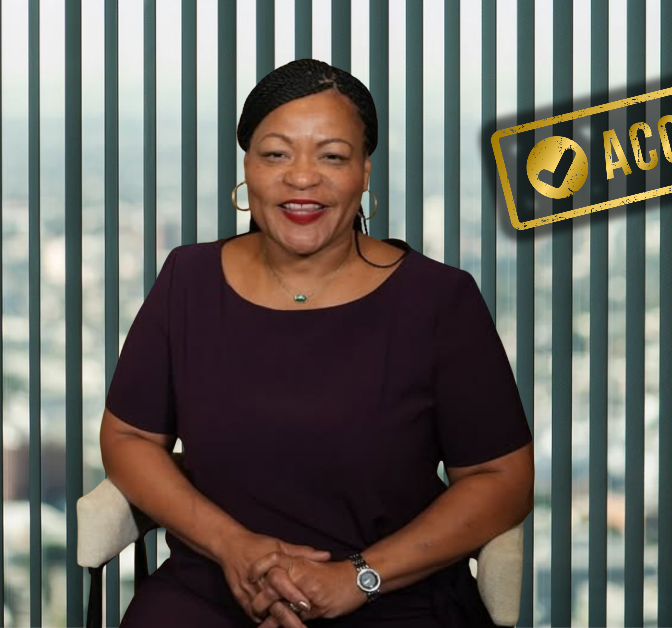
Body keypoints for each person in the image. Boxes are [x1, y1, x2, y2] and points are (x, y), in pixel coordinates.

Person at [99, 58, 533, 628]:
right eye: (276, 153)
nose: (302, 177)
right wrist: (235, 548)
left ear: (365, 172)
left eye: (332, 155)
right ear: (247, 168)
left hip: (391, 596)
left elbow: (501, 478)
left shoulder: (439, 301)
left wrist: (359, 577)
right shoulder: (189, 280)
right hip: (212, 588)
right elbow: (130, 436)